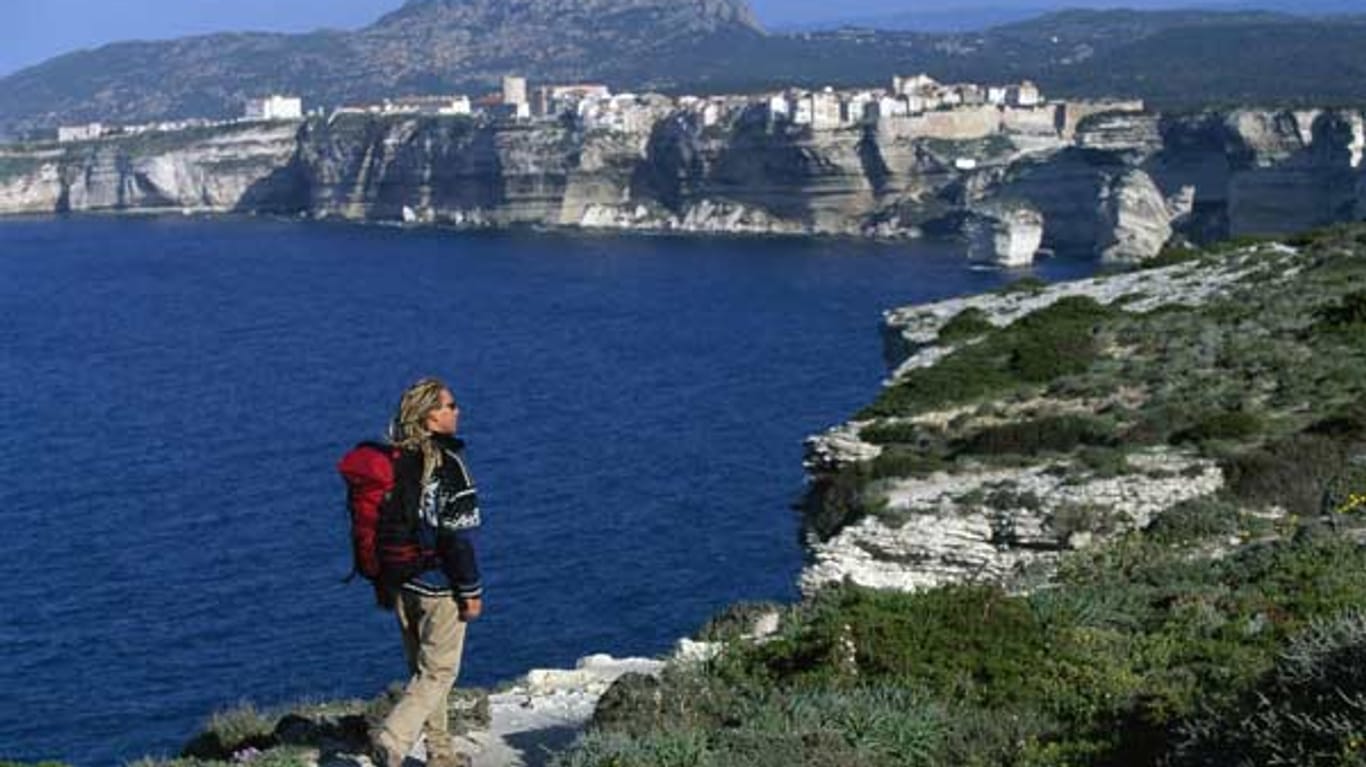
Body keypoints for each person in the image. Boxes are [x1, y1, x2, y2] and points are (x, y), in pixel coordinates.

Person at [371, 377, 483, 767]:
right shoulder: (448, 465)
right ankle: (393, 739)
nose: (457, 411)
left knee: (423, 673)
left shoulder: (392, 461)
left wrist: (382, 582)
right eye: (450, 406)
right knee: (438, 674)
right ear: (429, 417)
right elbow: (458, 538)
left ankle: (440, 754)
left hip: (401, 582)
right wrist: (471, 590)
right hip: (439, 588)